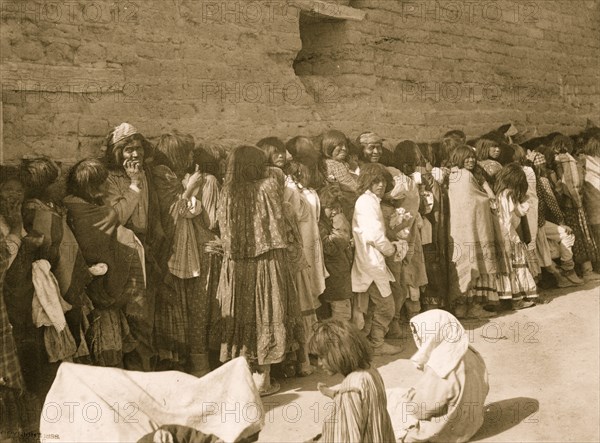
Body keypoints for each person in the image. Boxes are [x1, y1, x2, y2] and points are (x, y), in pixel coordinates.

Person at [212, 145, 303, 395]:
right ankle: (264, 377)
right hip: (267, 260)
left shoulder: (227, 191)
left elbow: (221, 226)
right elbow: (277, 179)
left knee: (243, 315)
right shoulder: (269, 185)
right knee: (268, 312)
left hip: (237, 263)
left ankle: (243, 376)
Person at [63, 159, 145, 368]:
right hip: (99, 289)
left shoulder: (69, 204)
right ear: (90, 188)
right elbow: (117, 217)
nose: (106, 186)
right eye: (101, 183)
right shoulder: (92, 212)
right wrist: (134, 186)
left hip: (82, 288)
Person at [152, 132, 221, 375]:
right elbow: (173, 213)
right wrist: (190, 189)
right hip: (172, 249)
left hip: (188, 247)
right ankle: (192, 366)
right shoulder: (162, 176)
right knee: (190, 309)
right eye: (188, 152)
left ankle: (195, 365)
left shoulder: (173, 176)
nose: (191, 157)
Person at [103, 122, 167, 371]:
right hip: (124, 252)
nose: (135, 155)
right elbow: (116, 216)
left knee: (147, 314)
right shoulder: (111, 178)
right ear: (118, 152)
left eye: (138, 148)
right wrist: (133, 183)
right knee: (134, 311)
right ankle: (135, 372)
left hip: (147, 248)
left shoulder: (145, 173)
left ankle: (146, 369)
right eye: (128, 150)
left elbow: (154, 213)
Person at [387, 309, 489, 443]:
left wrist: (411, 397)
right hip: (473, 422)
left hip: (448, 431)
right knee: (397, 395)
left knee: (387, 403)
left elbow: (419, 410)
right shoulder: (468, 351)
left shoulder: (442, 366)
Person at [307, 319, 396, 443]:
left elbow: (347, 437)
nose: (319, 363)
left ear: (339, 352)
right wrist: (333, 394)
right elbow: (362, 402)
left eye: (322, 357)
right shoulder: (370, 371)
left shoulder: (349, 390)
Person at [352, 163, 406, 355]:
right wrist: (392, 250)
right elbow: (375, 236)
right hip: (371, 261)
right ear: (367, 182)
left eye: (383, 181)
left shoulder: (370, 201)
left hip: (371, 260)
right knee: (386, 305)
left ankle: (371, 342)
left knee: (374, 305)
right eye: (375, 181)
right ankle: (376, 343)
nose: (380, 185)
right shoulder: (367, 202)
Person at [447, 146, 500, 318]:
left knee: (466, 266)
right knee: (474, 266)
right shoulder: (464, 176)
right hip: (469, 229)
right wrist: (488, 197)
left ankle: (462, 307)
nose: (470, 160)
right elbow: (479, 200)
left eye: (472, 157)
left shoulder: (453, 175)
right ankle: (473, 307)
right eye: (466, 157)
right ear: (458, 158)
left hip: (459, 231)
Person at [494, 163, 538, 309]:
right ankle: (517, 300)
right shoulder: (507, 195)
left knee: (511, 268)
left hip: (506, 235)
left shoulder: (501, 194)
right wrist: (508, 239)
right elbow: (508, 219)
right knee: (516, 267)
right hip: (510, 237)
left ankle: (512, 299)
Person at [317, 185, 354, 323]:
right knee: (341, 319)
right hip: (335, 281)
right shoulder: (321, 225)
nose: (335, 212)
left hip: (339, 278)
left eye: (337, 208)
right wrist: (342, 228)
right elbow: (330, 247)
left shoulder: (329, 222)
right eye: (330, 207)